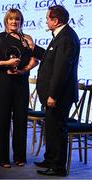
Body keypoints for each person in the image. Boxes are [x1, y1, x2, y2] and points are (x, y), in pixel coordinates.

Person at [26, 5, 80, 176]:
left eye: (48, 18)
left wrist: (53, 95)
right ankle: (50, 159)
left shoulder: (66, 38)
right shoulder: (61, 36)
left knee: (57, 129)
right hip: (54, 95)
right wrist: (33, 47)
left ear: (56, 21)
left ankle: (57, 167)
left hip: (59, 96)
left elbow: (61, 69)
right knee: (50, 128)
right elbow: (50, 58)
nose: (46, 21)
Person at [0, 8, 38, 168]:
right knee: (2, 119)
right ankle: (2, 158)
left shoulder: (27, 38)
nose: (14, 22)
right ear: (6, 21)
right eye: (11, 19)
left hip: (21, 82)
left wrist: (23, 70)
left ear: (21, 21)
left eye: (17, 19)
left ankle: (19, 157)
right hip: (3, 82)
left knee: (21, 119)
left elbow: (35, 60)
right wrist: (7, 63)